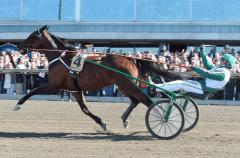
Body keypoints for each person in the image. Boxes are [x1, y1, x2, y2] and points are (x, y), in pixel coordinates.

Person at [148, 45, 237, 96]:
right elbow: (207, 64)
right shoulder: (221, 69)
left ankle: (156, 88)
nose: (220, 61)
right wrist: (202, 51)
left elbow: (208, 74)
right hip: (202, 86)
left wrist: (194, 67)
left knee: (180, 83)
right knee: (181, 82)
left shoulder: (224, 74)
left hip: (203, 89)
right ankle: (159, 87)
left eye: (223, 60)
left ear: (227, 63)